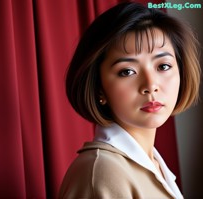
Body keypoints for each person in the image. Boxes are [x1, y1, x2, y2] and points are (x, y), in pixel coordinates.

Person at [59, 2, 201, 198]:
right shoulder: (103, 172)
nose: (151, 85)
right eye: (127, 71)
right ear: (99, 88)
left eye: (163, 66)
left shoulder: (153, 165)